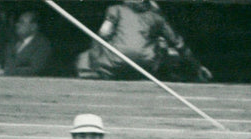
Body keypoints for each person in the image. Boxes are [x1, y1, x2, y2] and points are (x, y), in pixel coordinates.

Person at [76, 0, 212, 82]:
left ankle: (95, 72)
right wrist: (197, 66)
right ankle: (168, 75)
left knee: (85, 55)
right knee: (169, 49)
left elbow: (103, 33)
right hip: (146, 65)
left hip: (114, 63)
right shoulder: (157, 16)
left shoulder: (115, 9)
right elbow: (178, 43)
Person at [0, 11, 52, 76]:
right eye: (18, 22)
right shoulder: (12, 42)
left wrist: (7, 72)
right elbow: (4, 60)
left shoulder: (42, 45)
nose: (17, 25)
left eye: (22, 22)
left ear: (33, 27)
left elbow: (35, 69)